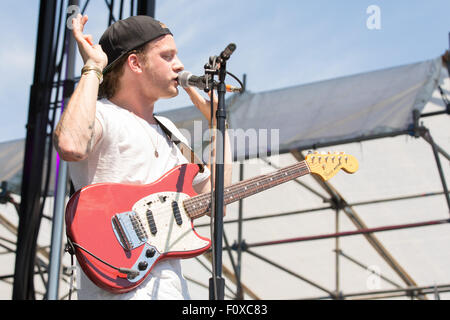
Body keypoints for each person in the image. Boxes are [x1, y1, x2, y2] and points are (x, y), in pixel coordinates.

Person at [53, 14, 232, 300]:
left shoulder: (171, 132)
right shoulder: (101, 115)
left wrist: (218, 128)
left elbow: (216, 202)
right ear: (135, 63)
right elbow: (71, 145)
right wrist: (92, 68)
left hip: (171, 289)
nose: (180, 65)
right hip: (117, 287)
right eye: (167, 55)